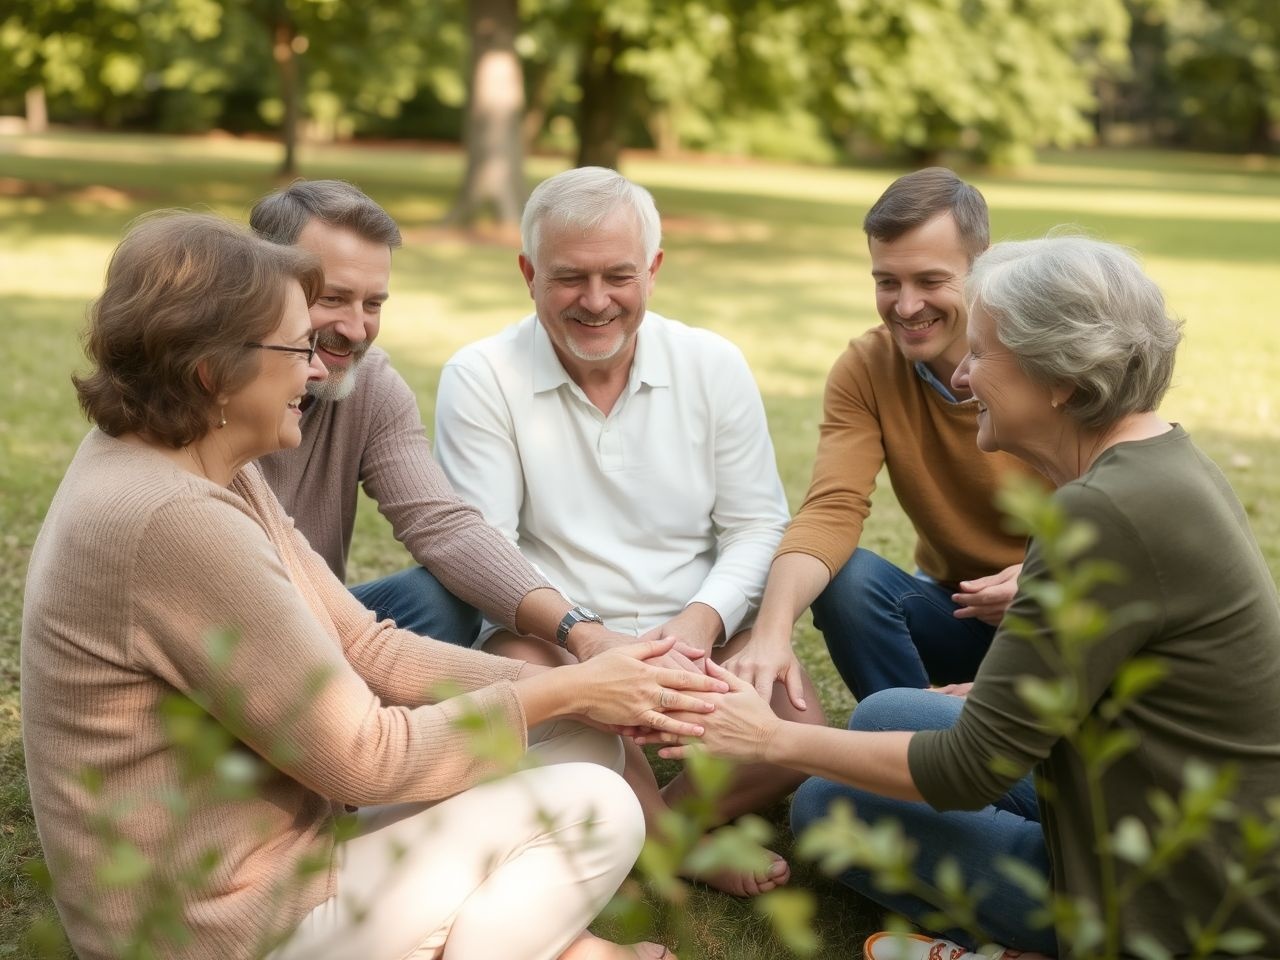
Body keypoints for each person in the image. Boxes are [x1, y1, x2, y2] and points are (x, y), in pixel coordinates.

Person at [22, 212, 728, 960]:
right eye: (298, 349)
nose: (319, 370)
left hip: (287, 854)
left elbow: (364, 642)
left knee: (584, 741)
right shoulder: (171, 520)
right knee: (602, 807)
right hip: (223, 925)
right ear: (212, 373)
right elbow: (365, 756)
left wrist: (590, 681)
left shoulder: (202, 457)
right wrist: (569, 690)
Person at [650, 236, 1280, 958]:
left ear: (1061, 380)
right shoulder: (1155, 460)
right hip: (1140, 810)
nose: (964, 375)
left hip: (1171, 899)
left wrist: (769, 739)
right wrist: (994, 695)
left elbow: (972, 767)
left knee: (826, 804)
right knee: (887, 713)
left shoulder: (1103, 513)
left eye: (980, 355)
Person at [433, 166, 825, 897]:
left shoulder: (713, 364)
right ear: (528, 274)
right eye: (569, 277)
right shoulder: (480, 375)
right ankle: (675, 844)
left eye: (618, 275)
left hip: (696, 629)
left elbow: (756, 524)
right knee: (527, 680)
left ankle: (647, 827)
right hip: (561, 640)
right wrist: (589, 645)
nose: (595, 301)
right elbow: (485, 548)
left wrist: (698, 629)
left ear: (653, 268)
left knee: (798, 718)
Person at [250, 180, 637, 654]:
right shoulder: (198, 384)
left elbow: (442, 524)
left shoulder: (369, 384)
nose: (356, 330)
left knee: (438, 598)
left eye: (373, 304)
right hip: (209, 631)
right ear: (261, 282)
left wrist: (583, 634)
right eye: (332, 299)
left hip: (313, 625)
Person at [729, 168, 1049, 706]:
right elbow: (832, 508)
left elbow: (1124, 510)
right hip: (958, 617)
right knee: (847, 580)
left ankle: (970, 748)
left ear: (981, 267)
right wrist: (770, 632)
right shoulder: (866, 367)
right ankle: (908, 740)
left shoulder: (1047, 355)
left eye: (930, 281)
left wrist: (1046, 579)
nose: (905, 307)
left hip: (1056, 620)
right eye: (887, 282)